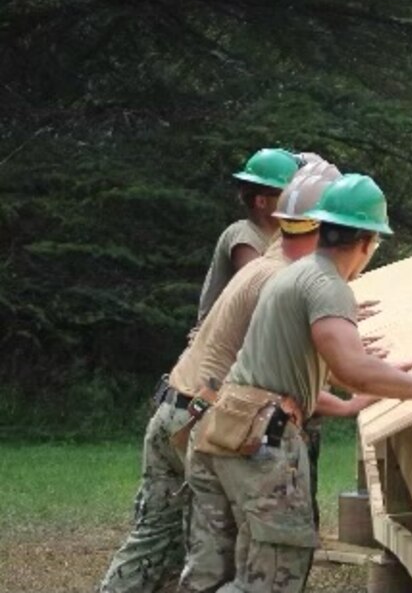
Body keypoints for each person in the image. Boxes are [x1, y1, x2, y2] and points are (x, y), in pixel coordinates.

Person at [181, 174, 412, 593]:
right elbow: (353, 369)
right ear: (368, 242)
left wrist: (388, 379)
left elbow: (338, 371)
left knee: (250, 571)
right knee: (273, 577)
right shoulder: (327, 285)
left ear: (322, 227)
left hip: (235, 427)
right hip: (262, 438)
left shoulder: (296, 274)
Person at [98, 160, 367, 593]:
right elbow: (271, 378)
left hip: (179, 408)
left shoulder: (269, 266)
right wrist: (352, 397)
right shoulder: (284, 279)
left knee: (159, 548)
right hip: (206, 420)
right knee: (231, 561)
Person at [197, 149, 296, 322]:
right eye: (287, 196)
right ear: (261, 201)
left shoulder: (280, 240)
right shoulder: (242, 234)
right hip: (217, 345)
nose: (294, 203)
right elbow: (260, 286)